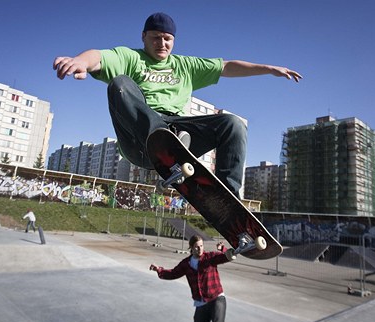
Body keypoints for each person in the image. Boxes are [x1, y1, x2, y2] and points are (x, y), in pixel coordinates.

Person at [53, 12, 302, 199]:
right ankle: (163, 142)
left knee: (233, 124)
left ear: (174, 41)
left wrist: (269, 69)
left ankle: (226, 196)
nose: (162, 44)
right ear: (144, 37)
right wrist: (80, 61)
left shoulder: (185, 66)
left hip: (179, 131)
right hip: (138, 141)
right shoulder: (131, 57)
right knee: (119, 83)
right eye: (156, 38)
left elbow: (226, 66)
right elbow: (99, 56)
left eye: (167, 39)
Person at [150, 235, 235, 322]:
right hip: (200, 303)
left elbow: (226, 257)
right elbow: (173, 273)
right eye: (196, 246)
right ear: (191, 247)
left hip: (216, 298)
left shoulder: (209, 257)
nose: (200, 249)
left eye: (201, 246)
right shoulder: (186, 264)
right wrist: (159, 269)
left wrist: (224, 249)